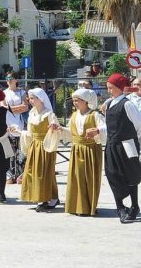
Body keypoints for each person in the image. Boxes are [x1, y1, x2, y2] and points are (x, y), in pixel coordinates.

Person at [51, 88, 104, 216]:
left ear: (85, 101)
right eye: (74, 100)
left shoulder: (95, 115)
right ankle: (79, 206)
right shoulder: (74, 116)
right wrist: (60, 128)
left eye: (77, 100)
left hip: (91, 150)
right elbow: (71, 132)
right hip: (77, 149)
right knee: (77, 178)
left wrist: (97, 131)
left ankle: (90, 206)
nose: (74, 103)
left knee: (90, 178)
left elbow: (104, 129)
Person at [99, 73, 141, 223]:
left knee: (131, 175)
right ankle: (120, 207)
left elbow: (138, 125)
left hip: (127, 145)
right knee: (112, 175)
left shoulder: (128, 104)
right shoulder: (110, 104)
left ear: (119, 88)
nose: (109, 90)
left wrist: (134, 142)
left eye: (111, 87)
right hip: (112, 145)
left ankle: (135, 206)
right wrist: (98, 131)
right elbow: (109, 125)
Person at [12, 88, 60, 212]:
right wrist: (18, 131)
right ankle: (44, 197)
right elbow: (30, 133)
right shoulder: (32, 114)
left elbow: (57, 131)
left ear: (41, 99)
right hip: (34, 146)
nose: (30, 100)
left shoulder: (49, 115)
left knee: (44, 173)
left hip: (46, 146)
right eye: (30, 98)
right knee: (32, 172)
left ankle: (45, 199)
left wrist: (54, 128)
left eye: (33, 98)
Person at [3, 73, 28, 183]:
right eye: (7, 78)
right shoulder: (4, 93)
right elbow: (3, 107)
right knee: (10, 151)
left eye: (11, 78)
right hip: (8, 123)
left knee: (21, 150)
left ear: (15, 79)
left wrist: (11, 109)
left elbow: (25, 107)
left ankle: (21, 174)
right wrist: (18, 108)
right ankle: (10, 174)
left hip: (20, 123)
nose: (8, 80)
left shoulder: (22, 92)